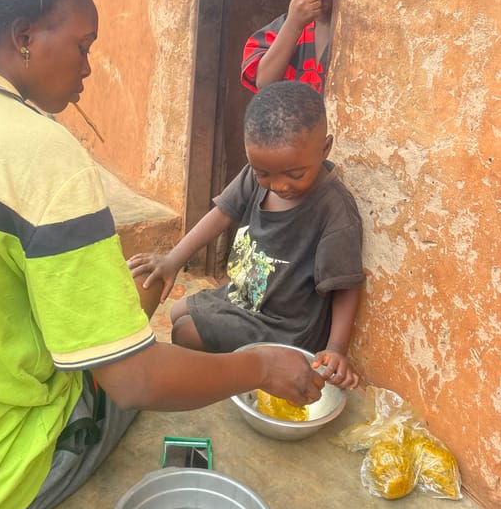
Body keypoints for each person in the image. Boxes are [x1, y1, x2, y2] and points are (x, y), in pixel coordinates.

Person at [0, 0, 325, 509]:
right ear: (25, 35)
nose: (87, 69)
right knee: (133, 367)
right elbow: (134, 381)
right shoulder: (42, 151)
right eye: (82, 46)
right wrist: (255, 365)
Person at [129, 81, 364, 390]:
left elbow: (345, 286)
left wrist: (335, 349)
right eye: (263, 173)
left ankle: (233, 382)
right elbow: (221, 214)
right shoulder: (258, 174)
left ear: (325, 148)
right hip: (245, 298)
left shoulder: (334, 210)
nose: (278, 185)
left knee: (184, 332)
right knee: (176, 311)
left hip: (284, 326)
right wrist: (173, 260)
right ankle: (239, 370)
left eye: (295, 175)